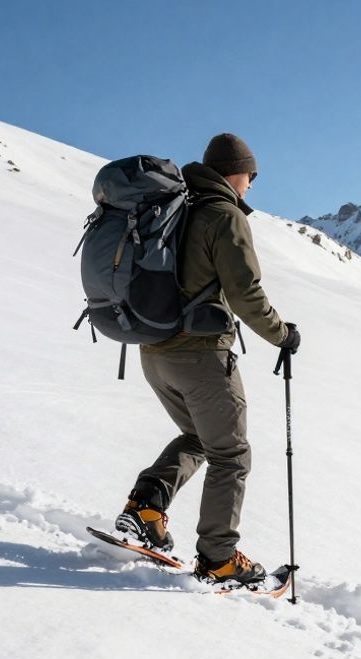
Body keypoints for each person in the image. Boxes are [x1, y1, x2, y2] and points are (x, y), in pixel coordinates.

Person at [114, 133, 301, 584]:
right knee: (231, 455)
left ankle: (147, 508)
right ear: (237, 173)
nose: (251, 186)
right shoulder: (222, 214)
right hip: (200, 356)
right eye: (250, 177)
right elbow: (244, 292)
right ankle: (218, 558)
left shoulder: (178, 209)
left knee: (199, 437)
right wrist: (283, 335)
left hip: (153, 350)